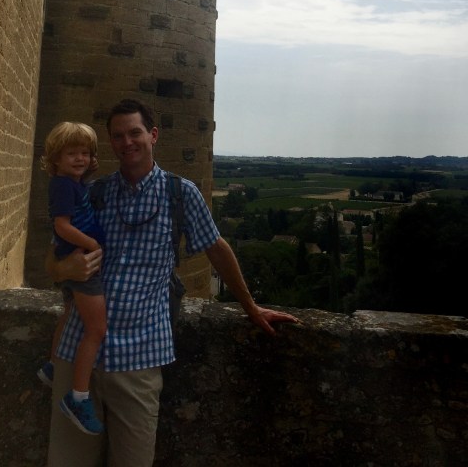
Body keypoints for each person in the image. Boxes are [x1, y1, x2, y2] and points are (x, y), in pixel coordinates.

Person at [46, 99, 299, 467]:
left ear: (153, 135)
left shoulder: (180, 193)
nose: (127, 142)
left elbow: (216, 248)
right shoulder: (94, 193)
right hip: (76, 355)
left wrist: (250, 307)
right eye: (118, 136)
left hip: (138, 359)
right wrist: (64, 269)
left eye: (134, 133)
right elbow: (52, 260)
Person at [38, 121, 107, 436]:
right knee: (96, 329)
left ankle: (53, 366)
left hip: (74, 260)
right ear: (56, 158)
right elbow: (61, 226)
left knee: (70, 313)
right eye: (72, 154)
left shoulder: (72, 183)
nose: (80, 159)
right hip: (83, 265)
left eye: (85, 153)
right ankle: (78, 398)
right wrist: (93, 245)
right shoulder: (64, 186)